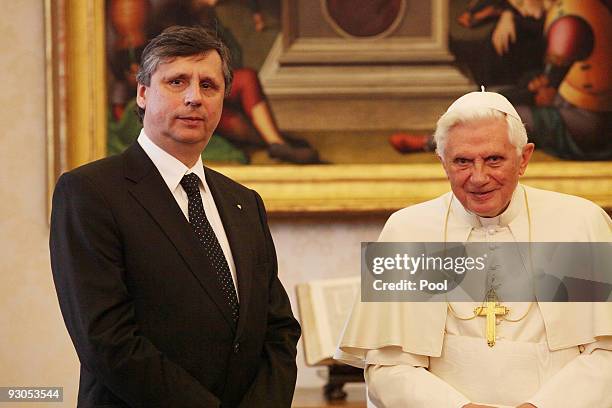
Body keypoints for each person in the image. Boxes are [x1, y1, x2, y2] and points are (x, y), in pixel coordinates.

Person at [50, 26, 300, 408]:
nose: (193, 97)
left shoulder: (243, 202)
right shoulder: (89, 192)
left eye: (209, 85)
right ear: (143, 93)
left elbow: (278, 330)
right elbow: (107, 340)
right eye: (176, 81)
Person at [336, 91, 612, 407]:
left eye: (494, 159)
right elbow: (387, 366)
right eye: (462, 161)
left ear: (524, 159)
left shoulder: (579, 224)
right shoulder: (408, 231)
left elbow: (606, 355)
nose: (478, 178)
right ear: (442, 162)